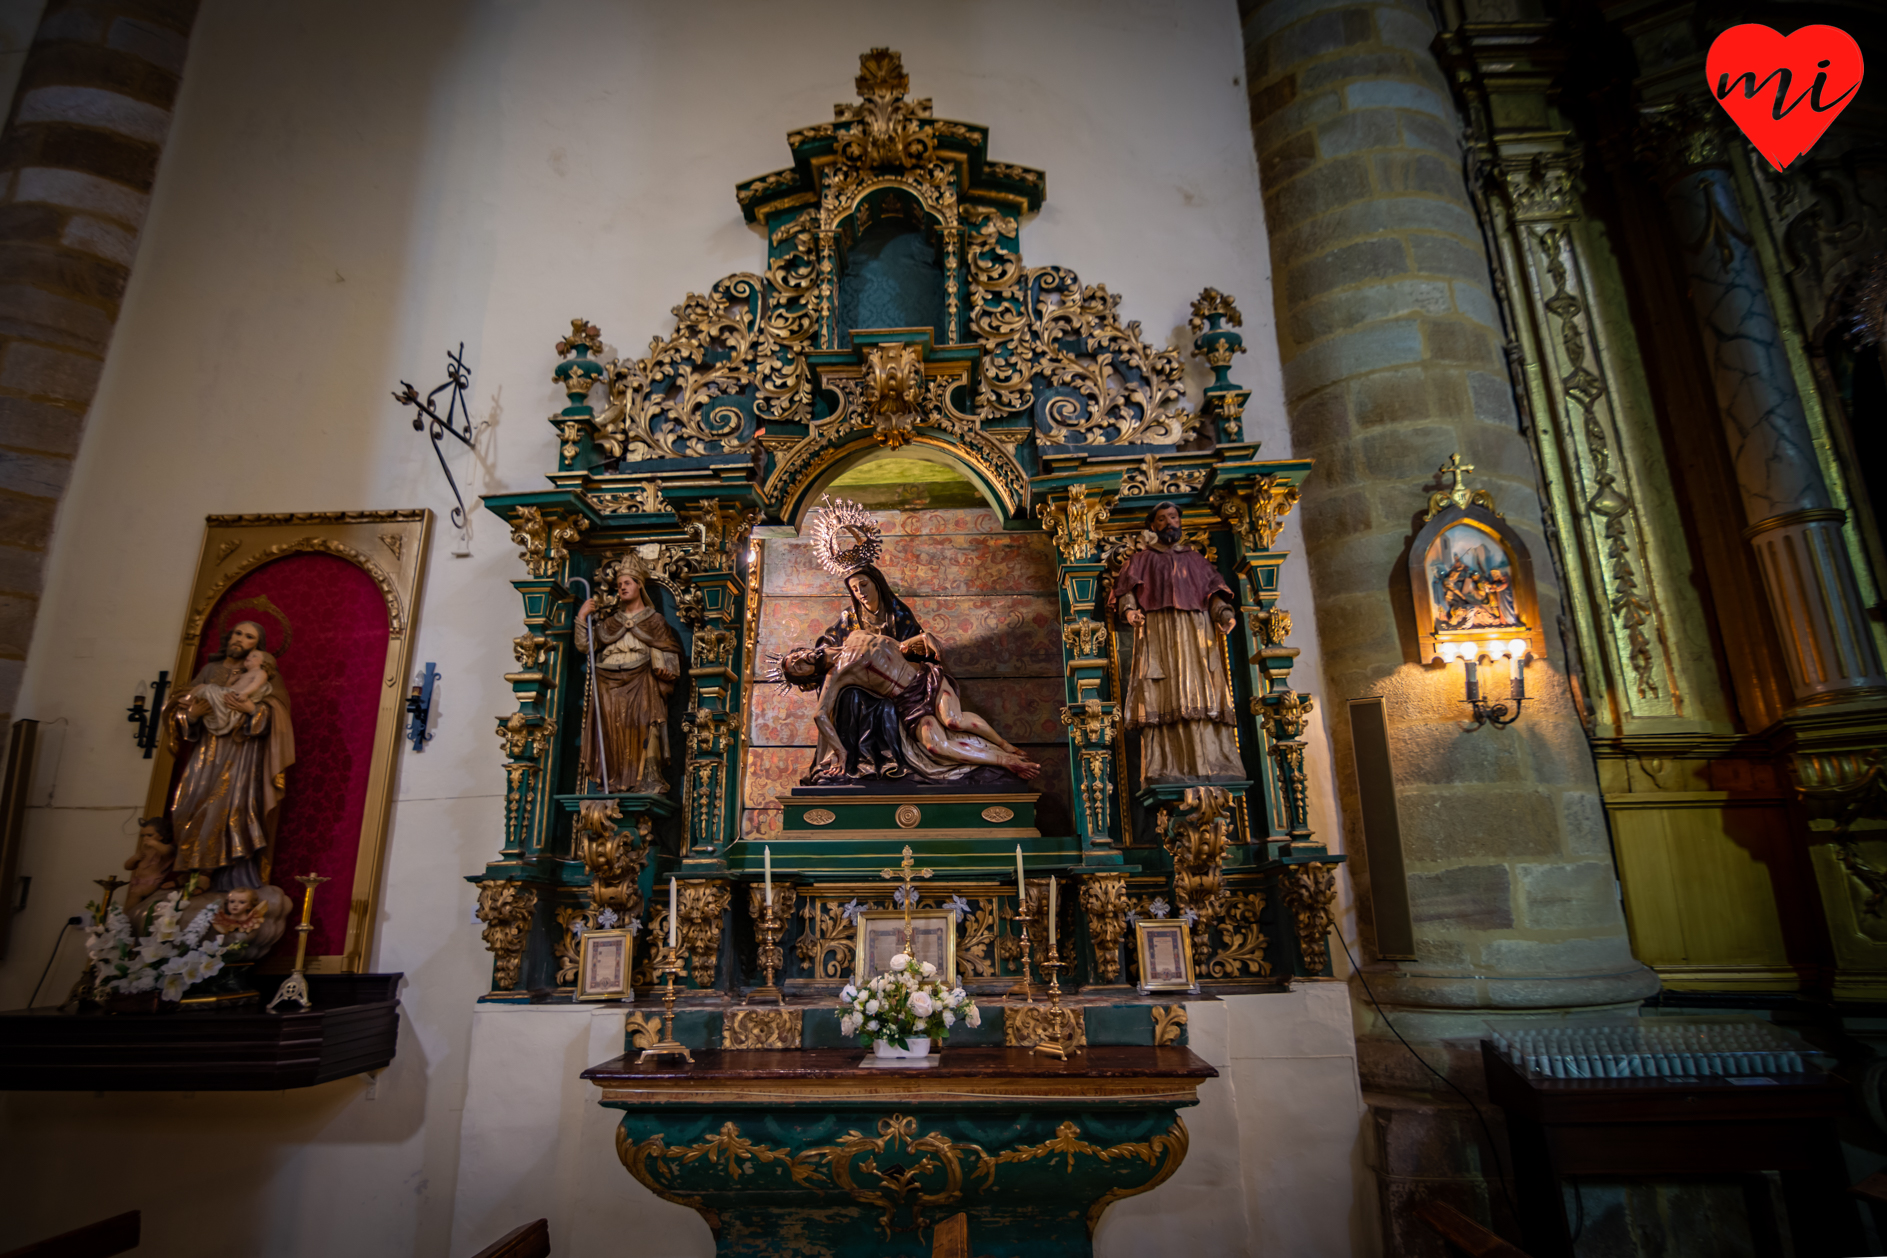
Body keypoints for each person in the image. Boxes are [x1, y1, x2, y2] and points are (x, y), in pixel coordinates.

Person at [780, 628, 1040, 781]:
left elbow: (899, 647)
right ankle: (1003, 760)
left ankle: (1008, 747)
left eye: (797, 656)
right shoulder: (835, 674)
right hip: (909, 703)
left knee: (953, 720)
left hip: (926, 679)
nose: (802, 659)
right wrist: (841, 751)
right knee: (934, 745)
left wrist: (923, 638)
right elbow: (820, 714)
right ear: (807, 676)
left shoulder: (855, 634)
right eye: (798, 667)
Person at [1114, 502, 1244, 786]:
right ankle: (1165, 765)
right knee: (1162, 693)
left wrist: (1225, 614)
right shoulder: (1140, 560)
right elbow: (1126, 593)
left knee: (1200, 692)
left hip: (1196, 632)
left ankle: (1212, 761)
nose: (1169, 523)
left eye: (1173, 517)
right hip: (1158, 632)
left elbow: (1214, 596)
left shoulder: (1196, 560)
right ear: (1153, 526)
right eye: (1161, 519)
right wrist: (1129, 611)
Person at [163, 620, 295, 889]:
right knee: (186, 804)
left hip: (239, 753)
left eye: (248, 637)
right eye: (237, 633)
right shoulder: (209, 670)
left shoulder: (265, 674)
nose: (240, 639)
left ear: (256, 647)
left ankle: (207, 873)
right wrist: (191, 715)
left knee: (222, 807)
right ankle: (186, 867)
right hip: (204, 750)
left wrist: (251, 711)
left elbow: (276, 715)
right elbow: (182, 702)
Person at [808, 563, 941, 780]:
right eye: (855, 588)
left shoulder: (898, 614)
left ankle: (889, 763)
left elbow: (914, 647)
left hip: (891, 681)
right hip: (857, 682)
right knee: (849, 697)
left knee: (887, 707)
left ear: (877, 584)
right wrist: (816, 660)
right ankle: (853, 764)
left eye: (864, 584)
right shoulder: (849, 617)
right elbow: (830, 644)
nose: (861, 592)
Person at [576, 555, 684, 794]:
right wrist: (582, 617)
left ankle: (648, 778)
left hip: (643, 681)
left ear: (639, 585)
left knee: (646, 725)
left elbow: (670, 652)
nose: (622, 587)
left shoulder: (655, 621)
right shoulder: (611, 622)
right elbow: (586, 646)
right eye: (619, 584)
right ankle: (614, 779)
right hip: (609, 683)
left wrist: (662, 665)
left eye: (627, 582)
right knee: (614, 729)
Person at [121, 816, 176, 920]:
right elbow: (128, 866)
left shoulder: (164, 848)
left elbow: (167, 852)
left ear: (161, 836)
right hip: (138, 882)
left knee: (136, 894)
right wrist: (135, 858)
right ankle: (125, 918)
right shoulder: (145, 849)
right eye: (143, 835)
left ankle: (124, 918)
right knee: (133, 897)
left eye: (150, 835)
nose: (146, 838)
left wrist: (155, 843)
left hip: (152, 882)